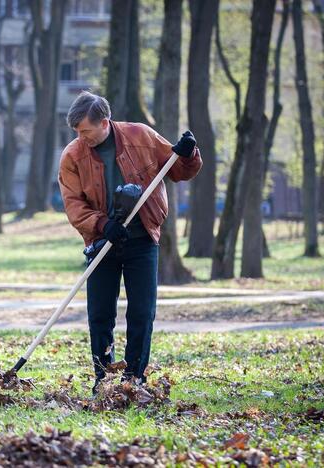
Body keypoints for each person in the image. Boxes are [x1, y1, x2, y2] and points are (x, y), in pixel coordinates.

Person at [58, 91, 202, 394]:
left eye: (85, 130)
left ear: (105, 122)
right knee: (99, 314)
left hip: (142, 239)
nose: (81, 138)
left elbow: (178, 170)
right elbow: (73, 204)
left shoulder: (140, 137)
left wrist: (188, 153)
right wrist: (102, 224)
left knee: (141, 311)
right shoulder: (73, 155)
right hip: (101, 242)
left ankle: (134, 377)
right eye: (77, 132)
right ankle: (104, 377)